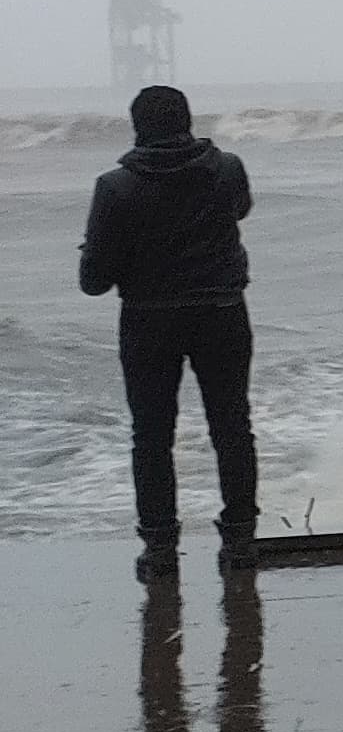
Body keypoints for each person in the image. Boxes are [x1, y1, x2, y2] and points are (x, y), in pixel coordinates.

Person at [78, 86, 259, 578]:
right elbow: (239, 210)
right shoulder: (228, 168)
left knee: (152, 437)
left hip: (149, 320)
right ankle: (240, 542)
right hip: (222, 311)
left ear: (138, 127)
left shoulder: (115, 188)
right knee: (232, 427)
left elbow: (94, 282)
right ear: (189, 121)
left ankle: (160, 551)